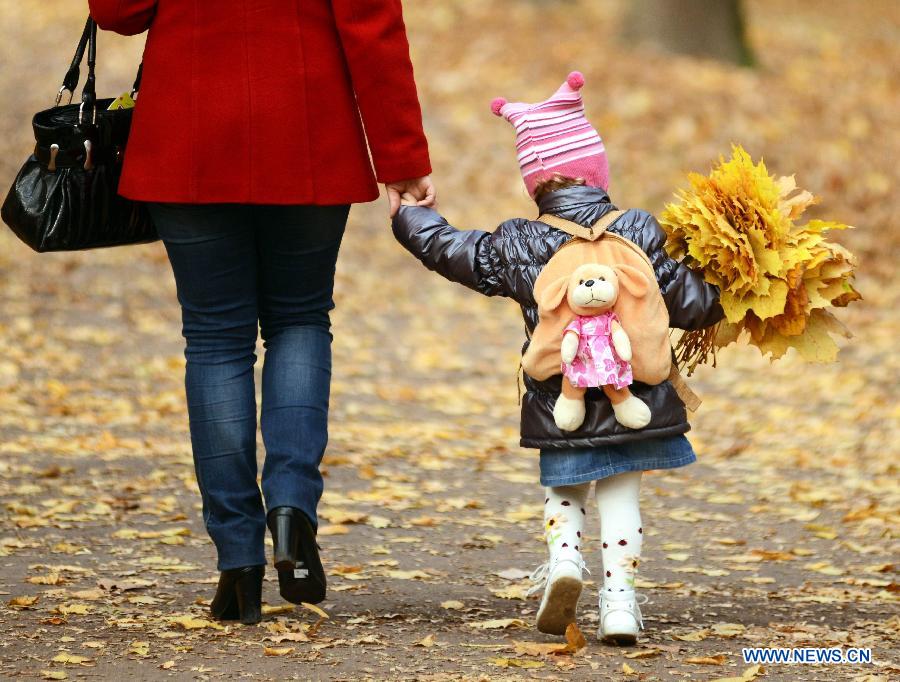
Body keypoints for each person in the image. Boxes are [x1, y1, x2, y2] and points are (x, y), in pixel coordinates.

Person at [88, 0, 435, 625]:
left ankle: (238, 563)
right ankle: (292, 509)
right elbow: (372, 26)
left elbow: (116, 11)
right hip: (309, 129)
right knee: (300, 319)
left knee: (215, 340)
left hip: (188, 135)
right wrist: (401, 157)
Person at [392, 72, 721, 645]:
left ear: (534, 185)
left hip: (558, 397)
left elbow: (453, 251)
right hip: (635, 396)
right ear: (598, 172)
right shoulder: (641, 229)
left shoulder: (520, 242)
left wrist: (411, 216)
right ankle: (620, 603)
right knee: (622, 495)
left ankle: (565, 561)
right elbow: (692, 304)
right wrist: (734, 285)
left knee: (564, 491)